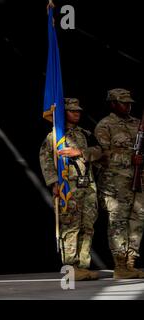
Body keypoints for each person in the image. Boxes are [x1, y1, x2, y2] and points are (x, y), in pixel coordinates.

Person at [39, 98, 102, 280]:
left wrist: (81, 153)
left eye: (79, 111)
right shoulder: (55, 136)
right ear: (62, 113)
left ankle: (84, 266)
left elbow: (99, 152)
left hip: (87, 185)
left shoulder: (85, 134)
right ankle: (71, 267)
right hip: (69, 187)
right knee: (70, 227)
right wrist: (54, 183)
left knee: (87, 226)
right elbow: (46, 160)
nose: (77, 113)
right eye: (72, 110)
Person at [95, 88, 144, 279]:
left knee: (137, 221)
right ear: (113, 104)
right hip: (115, 185)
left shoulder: (137, 124)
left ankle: (131, 262)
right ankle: (120, 265)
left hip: (138, 181)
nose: (128, 106)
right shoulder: (104, 126)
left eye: (129, 102)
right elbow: (102, 156)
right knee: (118, 223)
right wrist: (129, 159)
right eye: (123, 102)